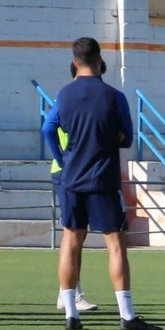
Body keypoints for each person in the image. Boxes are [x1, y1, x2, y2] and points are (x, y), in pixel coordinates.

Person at [44, 38, 160, 330]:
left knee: (70, 241)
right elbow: (128, 138)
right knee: (115, 245)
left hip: (72, 179)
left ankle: (71, 313)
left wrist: (63, 157)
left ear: (74, 62)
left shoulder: (64, 94)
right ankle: (127, 315)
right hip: (103, 178)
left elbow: (48, 127)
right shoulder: (114, 96)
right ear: (99, 59)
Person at [45, 63, 97, 316]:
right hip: (69, 171)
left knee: (77, 234)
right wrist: (63, 160)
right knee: (73, 235)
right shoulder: (68, 97)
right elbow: (47, 128)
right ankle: (69, 294)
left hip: (71, 170)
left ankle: (68, 292)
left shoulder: (66, 96)